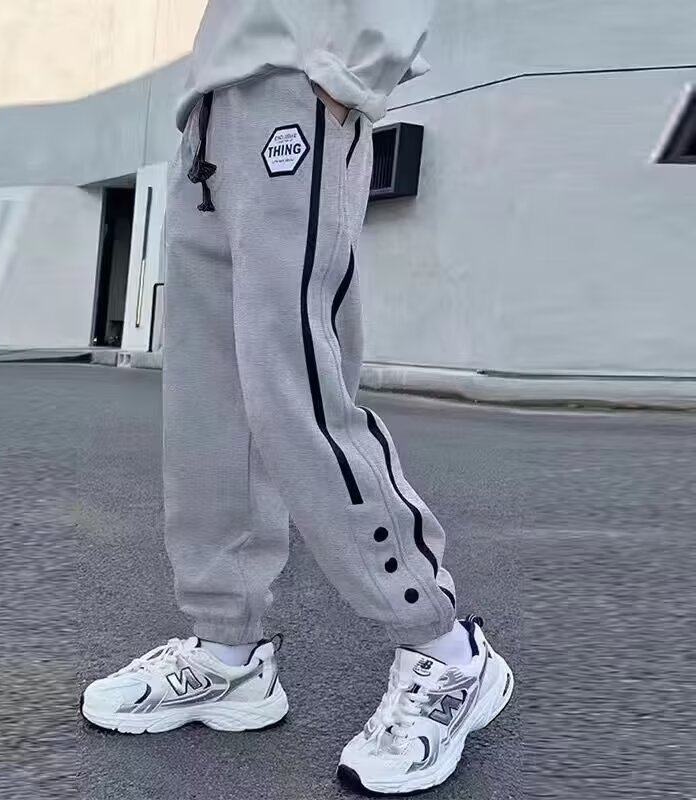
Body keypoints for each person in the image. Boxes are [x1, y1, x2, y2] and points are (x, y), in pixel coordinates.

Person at [81, 0, 513, 792]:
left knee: (296, 390)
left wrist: (352, 69)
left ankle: (445, 646)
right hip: (210, 110)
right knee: (211, 407)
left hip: (296, 86)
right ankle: (229, 651)